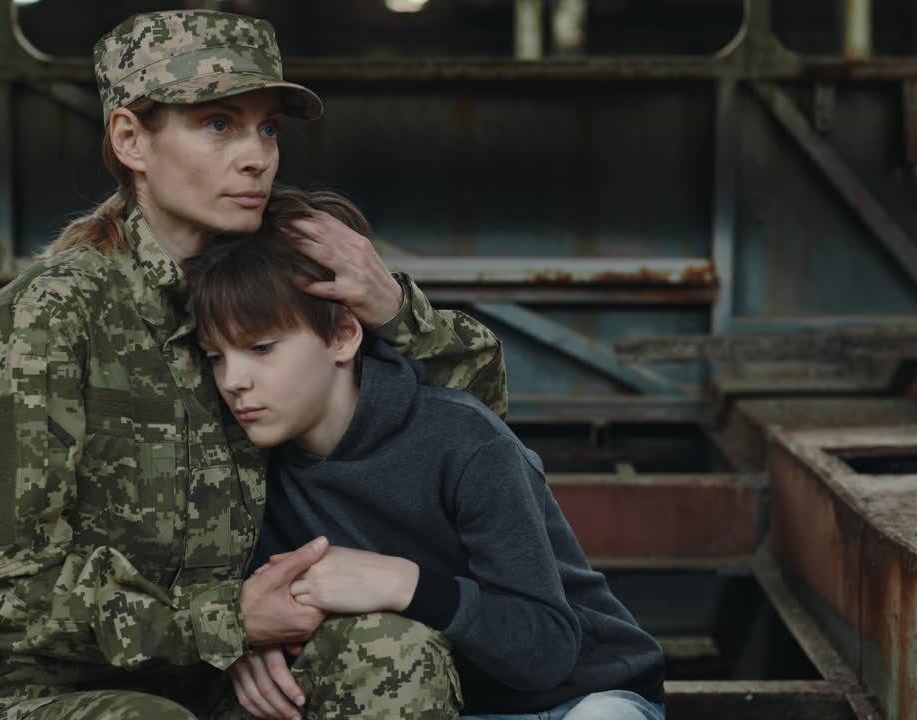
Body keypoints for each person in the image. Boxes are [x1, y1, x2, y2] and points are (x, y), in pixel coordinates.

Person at [0, 10, 505, 720]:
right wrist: (225, 624)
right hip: (47, 694)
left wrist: (393, 309)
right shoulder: (44, 321)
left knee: (392, 655)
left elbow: (474, 418)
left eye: (268, 128)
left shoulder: (273, 278)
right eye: (218, 124)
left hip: (220, 674)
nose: (257, 156)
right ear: (131, 139)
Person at [186, 188, 666, 720]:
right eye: (214, 356)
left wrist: (404, 584)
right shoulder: (241, 466)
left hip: (568, 698)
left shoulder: (463, 440)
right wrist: (244, 642)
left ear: (344, 336)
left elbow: (547, 649)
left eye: (260, 348)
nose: (234, 380)